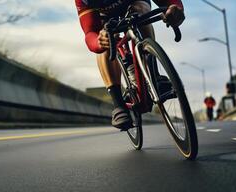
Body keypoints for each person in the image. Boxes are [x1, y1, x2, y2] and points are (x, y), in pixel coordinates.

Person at [75, 0, 185, 130]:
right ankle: (118, 105)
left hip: (135, 3)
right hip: (103, 16)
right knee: (104, 36)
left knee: (140, 12)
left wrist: (176, 8)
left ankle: (154, 75)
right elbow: (90, 32)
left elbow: (169, 2)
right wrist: (99, 42)